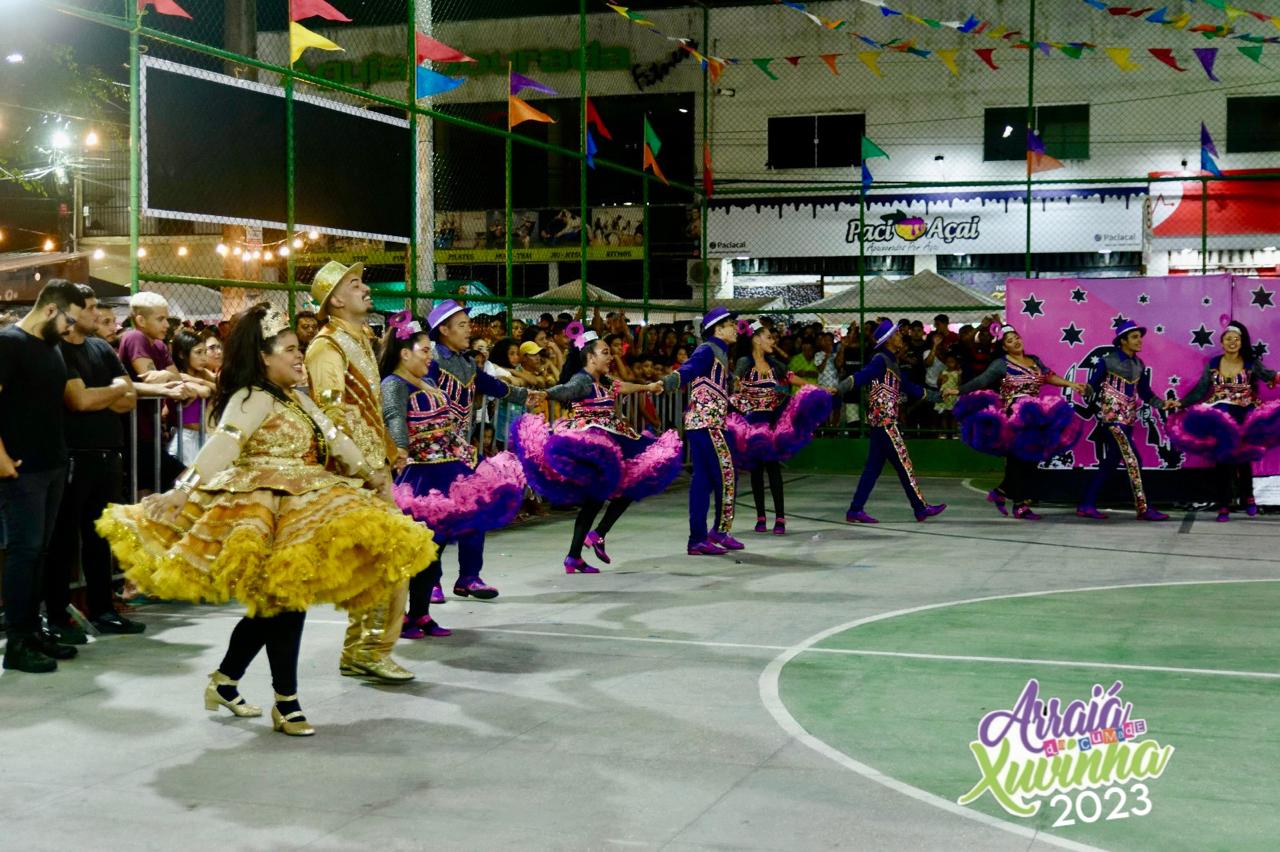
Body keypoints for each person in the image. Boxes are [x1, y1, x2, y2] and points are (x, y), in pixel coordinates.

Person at [97, 304, 436, 734]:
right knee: (283, 604)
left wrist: (372, 475)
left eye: (299, 348)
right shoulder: (251, 396)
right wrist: (184, 490)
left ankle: (228, 681)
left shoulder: (296, 398)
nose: (300, 356)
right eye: (290, 349)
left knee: (280, 603)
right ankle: (285, 702)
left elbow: (335, 438)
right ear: (263, 356)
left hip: (304, 502)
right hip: (261, 507)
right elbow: (225, 443)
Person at [304, 261, 420, 683]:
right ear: (335, 300)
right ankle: (370, 649)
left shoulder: (358, 339)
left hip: (373, 468)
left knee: (380, 561)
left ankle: (361, 651)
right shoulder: (327, 347)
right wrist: (365, 466)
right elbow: (332, 415)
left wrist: (388, 451)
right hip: (355, 474)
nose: (365, 289)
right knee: (390, 557)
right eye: (355, 285)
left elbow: (365, 406)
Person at [45, 283, 146, 645]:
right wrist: (113, 391)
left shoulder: (101, 348)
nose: (96, 314)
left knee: (100, 537)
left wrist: (106, 393)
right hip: (74, 457)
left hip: (107, 455)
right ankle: (57, 615)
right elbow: (79, 401)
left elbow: (129, 398)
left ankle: (103, 609)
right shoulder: (57, 349)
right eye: (88, 308)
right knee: (63, 541)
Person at [423, 300, 541, 600]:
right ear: (444, 330)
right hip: (430, 453)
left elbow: (492, 385)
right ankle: (430, 581)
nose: (469, 330)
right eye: (462, 325)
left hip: (460, 450)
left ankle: (469, 576)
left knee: (475, 507)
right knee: (436, 516)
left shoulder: (466, 363)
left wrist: (525, 395)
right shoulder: (430, 361)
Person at [1, 279, 90, 672]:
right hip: (22, 468)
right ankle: (17, 642)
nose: (71, 329)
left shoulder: (51, 347)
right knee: (25, 552)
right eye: (69, 320)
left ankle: (33, 630)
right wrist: (1, 457)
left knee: (39, 552)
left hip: (52, 463)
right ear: (52, 309)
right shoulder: (9, 343)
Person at [539, 328, 668, 573]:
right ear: (590, 357)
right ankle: (592, 539)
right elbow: (566, 390)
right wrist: (544, 393)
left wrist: (649, 387)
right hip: (596, 446)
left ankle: (578, 552)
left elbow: (623, 386)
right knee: (615, 492)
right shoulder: (582, 380)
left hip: (611, 441)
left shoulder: (604, 381)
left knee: (609, 495)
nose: (610, 357)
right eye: (605, 353)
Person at [950, 325, 1086, 520]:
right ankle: (1019, 504)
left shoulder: (1034, 360)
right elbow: (982, 380)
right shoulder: (1001, 363)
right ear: (1004, 347)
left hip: (1034, 415)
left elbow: (1048, 376)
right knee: (1019, 460)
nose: (1015, 341)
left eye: (1016, 337)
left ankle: (1002, 493)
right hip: (1014, 416)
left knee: (1030, 460)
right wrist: (959, 390)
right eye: (1009, 340)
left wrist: (1071, 384)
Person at [838, 320, 946, 524]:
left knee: (873, 469)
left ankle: (855, 509)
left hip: (881, 424)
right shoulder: (881, 361)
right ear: (888, 340)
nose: (900, 336)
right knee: (904, 464)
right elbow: (860, 377)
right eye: (896, 334)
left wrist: (938, 396)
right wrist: (839, 388)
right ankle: (920, 508)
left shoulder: (891, 362)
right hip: (886, 423)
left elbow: (911, 388)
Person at [659, 307, 743, 555]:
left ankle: (698, 538)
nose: (736, 328)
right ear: (718, 329)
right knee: (727, 475)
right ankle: (719, 531)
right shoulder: (707, 350)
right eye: (731, 324)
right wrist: (665, 383)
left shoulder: (719, 352)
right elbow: (687, 370)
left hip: (703, 424)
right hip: (708, 424)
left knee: (703, 480)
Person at [1077, 320, 1178, 521]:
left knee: (1110, 463)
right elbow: (1092, 386)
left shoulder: (1139, 364)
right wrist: (1083, 389)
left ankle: (1086, 504)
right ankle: (1143, 508)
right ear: (1123, 340)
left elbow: (1146, 393)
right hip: (1113, 421)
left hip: (1128, 421)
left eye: (1139, 337)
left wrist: (1163, 404)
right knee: (1133, 460)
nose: (1140, 341)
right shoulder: (1108, 361)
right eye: (1134, 337)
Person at [1178, 321, 1276, 521]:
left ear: (1241, 342)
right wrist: (1180, 403)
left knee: (1243, 457)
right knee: (1222, 459)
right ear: (1222, 343)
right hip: (1221, 417)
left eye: (1236, 339)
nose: (1232, 342)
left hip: (1245, 415)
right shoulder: (1214, 363)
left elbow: (1270, 376)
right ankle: (1223, 505)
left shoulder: (1250, 362)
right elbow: (1201, 389)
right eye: (1228, 339)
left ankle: (1248, 497)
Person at [117, 292, 210, 493]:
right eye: (160, 319)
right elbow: (150, 377)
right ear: (141, 320)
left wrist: (170, 378)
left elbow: (174, 378)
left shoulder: (159, 345)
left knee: (149, 489)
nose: (167, 325)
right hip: (135, 432)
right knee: (185, 480)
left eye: (166, 319)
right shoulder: (134, 337)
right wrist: (169, 378)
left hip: (152, 431)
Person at [733, 320, 807, 535]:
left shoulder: (775, 364)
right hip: (752, 424)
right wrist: (737, 385)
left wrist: (818, 388)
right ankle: (761, 516)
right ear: (757, 339)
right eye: (769, 337)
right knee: (756, 470)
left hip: (772, 422)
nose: (773, 341)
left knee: (773, 468)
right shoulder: (744, 362)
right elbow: (736, 380)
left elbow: (792, 378)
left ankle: (780, 517)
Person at [168, 330, 216, 465]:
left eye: (205, 352)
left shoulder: (203, 374)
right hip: (186, 440)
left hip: (206, 438)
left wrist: (200, 380)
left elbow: (222, 388)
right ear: (182, 354)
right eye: (198, 352)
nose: (204, 358)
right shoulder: (176, 377)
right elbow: (206, 391)